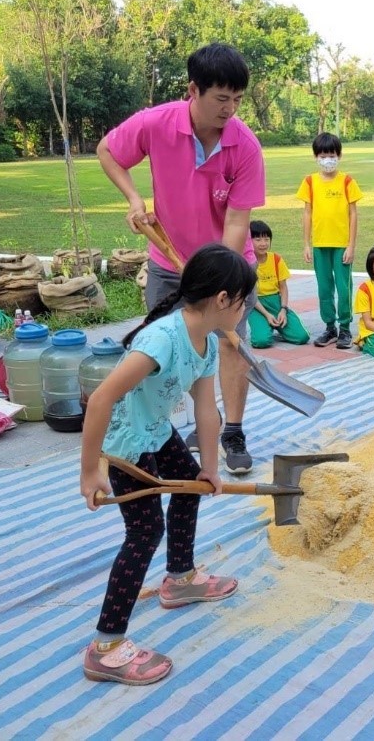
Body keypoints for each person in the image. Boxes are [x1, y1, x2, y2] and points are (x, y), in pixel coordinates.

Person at [79, 244, 256, 685]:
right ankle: (106, 645)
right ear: (222, 300)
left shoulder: (208, 343)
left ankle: (179, 578)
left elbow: (205, 411)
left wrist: (210, 467)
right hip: (125, 443)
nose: (246, 309)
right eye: (244, 300)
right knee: (144, 532)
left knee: (189, 486)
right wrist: (90, 470)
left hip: (156, 430)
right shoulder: (161, 338)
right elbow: (101, 398)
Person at [97, 42, 263, 474]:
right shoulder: (157, 124)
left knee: (230, 346)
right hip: (168, 265)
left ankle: (232, 431)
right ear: (194, 90)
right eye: (221, 99)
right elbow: (108, 151)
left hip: (227, 268)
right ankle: (156, 429)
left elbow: (236, 224)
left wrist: (219, 286)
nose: (231, 109)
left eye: (238, 100)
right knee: (162, 347)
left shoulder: (244, 147)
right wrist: (134, 198)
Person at [298, 131, 363, 350]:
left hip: (341, 245)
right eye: (323, 155)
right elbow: (307, 213)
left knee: (343, 288)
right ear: (316, 156)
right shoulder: (309, 182)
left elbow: (353, 214)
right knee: (324, 288)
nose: (328, 159)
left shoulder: (347, 181)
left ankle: (345, 327)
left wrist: (351, 245)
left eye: (332, 154)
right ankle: (329, 326)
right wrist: (306, 243)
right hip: (320, 245)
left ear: (339, 155)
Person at [246, 220, 310, 348]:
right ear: (249, 241)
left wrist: (283, 310)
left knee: (302, 337)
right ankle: (266, 324)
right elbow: (249, 296)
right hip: (256, 305)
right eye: (258, 239)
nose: (263, 243)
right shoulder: (247, 263)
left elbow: (283, 287)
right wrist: (267, 314)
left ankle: (276, 327)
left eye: (266, 239)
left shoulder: (276, 259)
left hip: (276, 302)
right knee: (261, 342)